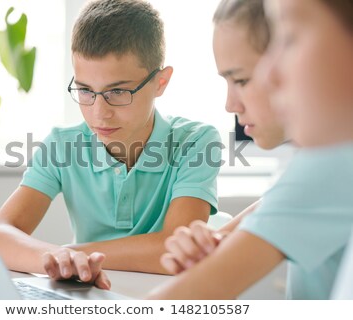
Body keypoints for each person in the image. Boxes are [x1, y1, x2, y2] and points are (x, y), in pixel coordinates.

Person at [0, 0, 221, 289]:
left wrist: (74, 255)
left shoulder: (196, 141)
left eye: (118, 91)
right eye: (85, 90)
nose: (99, 113)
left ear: (160, 82)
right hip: (90, 293)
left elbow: (175, 250)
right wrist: (59, 259)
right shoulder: (62, 145)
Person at [148, 0, 353, 299]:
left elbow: (191, 293)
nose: (230, 105)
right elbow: (262, 213)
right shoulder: (314, 164)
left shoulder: (332, 162)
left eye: (242, 79)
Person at [161, 0, 287, 275]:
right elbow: (206, 262)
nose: (230, 105)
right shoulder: (302, 171)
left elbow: (200, 281)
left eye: (241, 80)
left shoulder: (326, 171)